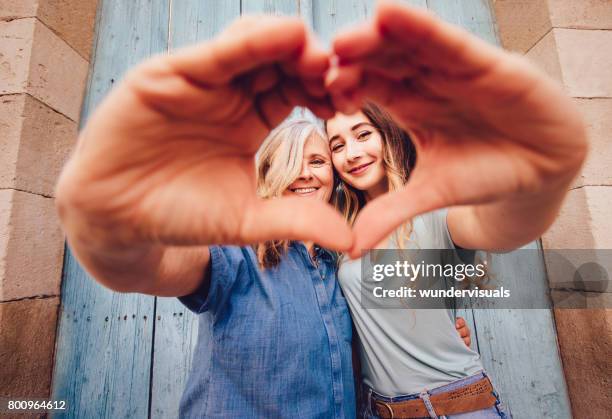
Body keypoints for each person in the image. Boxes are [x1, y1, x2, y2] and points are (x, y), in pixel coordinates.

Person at [53, 2, 587, 418]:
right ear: (266, 175)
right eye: (327, 148)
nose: (332, 160)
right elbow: (150, 266)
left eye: (350, 141)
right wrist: (109, 222)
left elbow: (499, 227)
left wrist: (534, 184)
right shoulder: (248, 254)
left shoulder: (388, 229)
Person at [319, 2, 587, 417]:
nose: (352, 153)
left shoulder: (436, 213)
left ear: (389, 134)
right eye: (337, 144)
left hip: (454, 409)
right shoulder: (341, 232)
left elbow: (504, 225)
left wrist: (544, 170)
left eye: (362, 134)